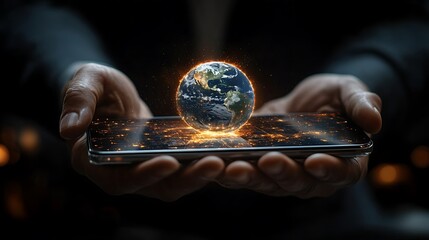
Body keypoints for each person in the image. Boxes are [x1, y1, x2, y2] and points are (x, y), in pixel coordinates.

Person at [1, 0, 429, 239]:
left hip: (324, 220)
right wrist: (71, 70)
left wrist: (367, 79)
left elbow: (410, 18)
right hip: (116, 217)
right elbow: (32, 7)